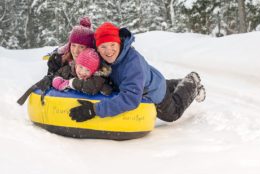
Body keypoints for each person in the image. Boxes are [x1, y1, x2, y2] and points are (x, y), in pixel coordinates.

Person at [69, 22, 206, 122]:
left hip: (152, 91)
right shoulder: (104, 58)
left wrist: (95, 110)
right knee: (159, 83)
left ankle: (191, 83)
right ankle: (175, 83)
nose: (108, 50)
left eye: (112, 45)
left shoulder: (132, 64)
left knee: (172, 114)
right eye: (103, 46)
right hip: (147, 79)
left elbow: (130, 99)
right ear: (97, 48)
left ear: (119, 43)